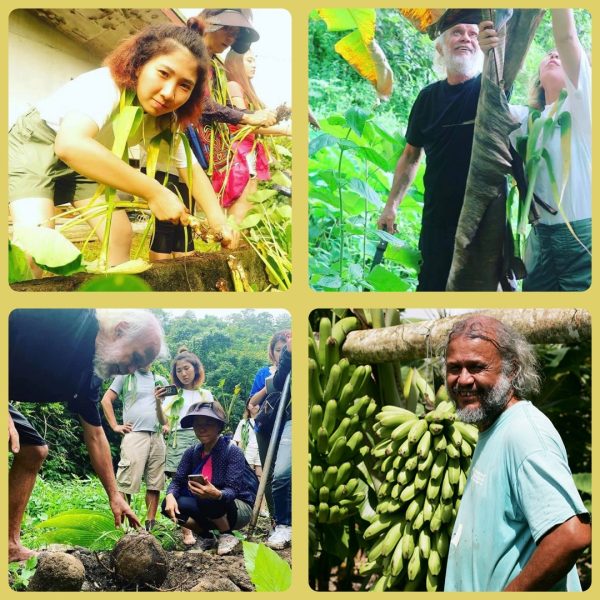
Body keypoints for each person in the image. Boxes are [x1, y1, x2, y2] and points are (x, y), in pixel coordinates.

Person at [8, 22, 236, 276]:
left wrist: (219, 222)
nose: (169, 93)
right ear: (139, 65)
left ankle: (115, 303)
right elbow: (70, 144)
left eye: (184, 85)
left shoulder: (165, 119)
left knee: (119, 234)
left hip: (89, 154)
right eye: (163, 73)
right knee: (36, 246)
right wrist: (155, 192)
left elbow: (189, 167)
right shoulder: (105, 85)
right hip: (39, 142)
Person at [442, 315, 591, 591]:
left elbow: (571, 535)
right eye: (454, 368)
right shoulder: (493, 429)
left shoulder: (524, 433)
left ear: (512, 371)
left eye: (476, 367)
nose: (463, 380)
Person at [8, 308, 166, 562]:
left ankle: (9, 545)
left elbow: (95, 435)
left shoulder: (90, 377)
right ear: (120, 329)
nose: (130, 369)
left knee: (33, 451)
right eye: (135, 357)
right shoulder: (69, 315)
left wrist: (115, 495)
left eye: (139, 366)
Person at [478, 9, 591, 291]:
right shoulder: (525, 121)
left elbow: (566, 37)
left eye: (560, 55)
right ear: (538, 79)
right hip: (538, 241)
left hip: (584, 237)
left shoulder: (583, 108)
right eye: (547, 55)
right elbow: (490, 100)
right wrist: (487, 51)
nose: (553, 55)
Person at [377, 22, 483, 291]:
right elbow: (411, 156)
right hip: (438, 219)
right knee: (433, 287)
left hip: (484, 218)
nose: (466, 39)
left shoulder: (488, 89)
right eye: (457, 32)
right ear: (440, 46)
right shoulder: (428, 98)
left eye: (473, 34)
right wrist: (391, 205)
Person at [186, 10, 277, 209]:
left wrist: (262, 115)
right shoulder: (188, 55)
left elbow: (225, 110)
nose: (230, 37)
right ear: (209, 24)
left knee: (184, 225)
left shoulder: (214, 69)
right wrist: (247, 117)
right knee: (170, 228)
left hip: (196, 155)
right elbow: (200, 103)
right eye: (227, 28)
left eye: (235, 33)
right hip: (175, 145)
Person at [162, 401, 256, 555]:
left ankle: (227, 535)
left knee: (206, 498)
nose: (202, 428)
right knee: (169, 504)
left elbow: (232, 491)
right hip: (205, 503)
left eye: (208, 423)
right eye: (197, 424)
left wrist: (216, 493)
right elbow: (177, 481)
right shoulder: (192, 452)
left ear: (219, 426)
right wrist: (170, 494)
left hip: (237, 508)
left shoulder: (232, 451)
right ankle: (207, 536)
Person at [221, 48, 292, 222]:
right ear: (236, 63)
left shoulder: (243, 89)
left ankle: (231, 245)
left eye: (255, 60)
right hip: (240, 152)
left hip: (247, 151)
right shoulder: (233, 86)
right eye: (249, 60)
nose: (254, 65)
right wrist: (283, 131)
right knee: (241, 206)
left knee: (247, 203)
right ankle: (229, 246)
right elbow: (244, 123)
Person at [100, 364, 169, 532]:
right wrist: (115, 425)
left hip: (157, 435)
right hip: (135, 434)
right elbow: (106, 400)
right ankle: (125, 527)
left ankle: (151, 524)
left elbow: (166, 412)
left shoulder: (160, 380)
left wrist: (166, 424)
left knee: (155, 483)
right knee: (126, 482)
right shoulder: (125, 376)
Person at [157, 346, 214, 546]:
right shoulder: (173, 394)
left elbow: (213, 419)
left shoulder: (205, 394)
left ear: (196, 369)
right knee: (178, 482)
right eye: (179, 370)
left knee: (201, 481)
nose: (183, 373)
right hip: (177, 438)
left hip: (201, 439)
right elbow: (163, 420)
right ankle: (187, 532)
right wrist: (158, 402)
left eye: (187, 368)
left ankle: (204, 524)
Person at [248, 330, 292, 549]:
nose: (282, 353)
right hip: (266, 425)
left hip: (288, 422)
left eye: (286, 349)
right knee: (269, 473)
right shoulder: (264, 372)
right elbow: (251, 403)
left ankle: (287, 520)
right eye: (278, 349)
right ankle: (276, 520)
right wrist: (270, 384)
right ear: (272, 352)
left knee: (282, 474)